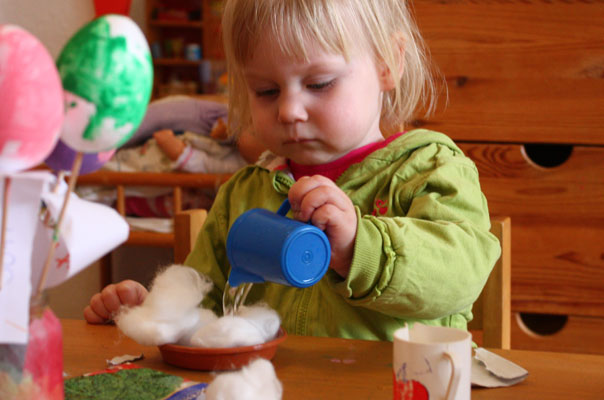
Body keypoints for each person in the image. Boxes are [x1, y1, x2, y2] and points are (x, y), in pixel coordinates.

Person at [85, 0, 501, 341]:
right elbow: (205, 305)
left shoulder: (429, 170)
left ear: (387, 64)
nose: (288, 110)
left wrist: (361, 248)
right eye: (266, 91)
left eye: (319, 84)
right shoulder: (245, 192)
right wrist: (159, 314)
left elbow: (460, 277)